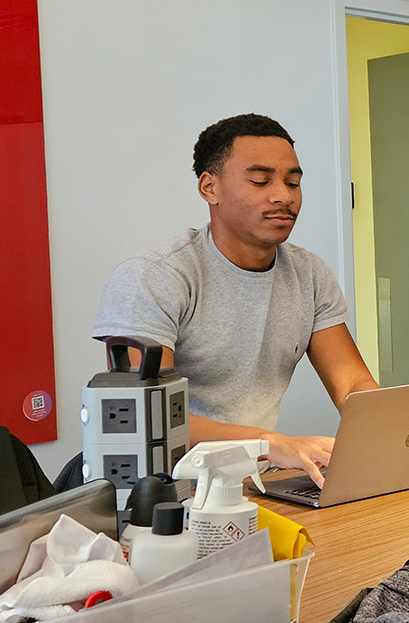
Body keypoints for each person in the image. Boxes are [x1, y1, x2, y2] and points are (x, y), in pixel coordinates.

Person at [93, 114, 378, 486]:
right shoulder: (155, 276)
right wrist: (271, 444)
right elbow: (151, 414)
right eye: (260, 180)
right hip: (162, 493)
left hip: (255, 481)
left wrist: (393, 432)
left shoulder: (308, 273)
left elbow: (352, 383)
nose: (283, 196)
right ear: (210, 188)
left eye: (293, 182)